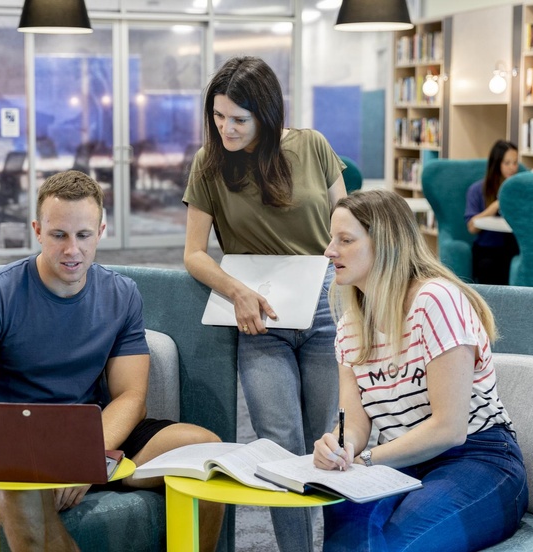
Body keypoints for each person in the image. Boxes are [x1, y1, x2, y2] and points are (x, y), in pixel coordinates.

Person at [0, 170, 224, 552]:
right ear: (38, 230)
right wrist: (21, 447)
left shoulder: (122, 294)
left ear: (100, 231)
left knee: (206, 451)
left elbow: (131, 396)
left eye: (84, 235)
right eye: (59, 235)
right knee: (19, 493)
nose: (72, 250)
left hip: (93, 432)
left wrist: (83, 457)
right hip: (23, 440)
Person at [183, 56, 347, 552]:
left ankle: (341, 544)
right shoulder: (209, 164)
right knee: (279, 443)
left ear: (267, 114)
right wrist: (236, 290)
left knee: (331, 443)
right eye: (217, 116)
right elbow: (193, 254)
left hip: (325, 308)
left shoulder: (312, 146)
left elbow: (348, 224)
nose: (225, 128)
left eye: (238, 119)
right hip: (258, 317)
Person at [314, 189, 528, 552]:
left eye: (345, 240)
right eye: (332, 239)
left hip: (479, 458)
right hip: (399, 459)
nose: (329, 251)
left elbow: (449, 429)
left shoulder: (435, 301)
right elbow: (356, 420)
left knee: (396, 545)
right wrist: (340, 445)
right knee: (346, 534)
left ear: (385, 244)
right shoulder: (350, 324)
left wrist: (364, 459)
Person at [465, 139, 520, 285]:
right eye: (507, 163)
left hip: (514, 248)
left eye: (515, 163)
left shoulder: (520, 190)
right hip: (487, 250)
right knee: (488, 266)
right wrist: (494, 207)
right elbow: (471, 227)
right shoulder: (477, 189)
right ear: (496, 164)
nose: (512, 168)